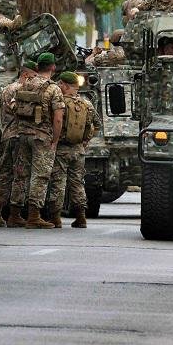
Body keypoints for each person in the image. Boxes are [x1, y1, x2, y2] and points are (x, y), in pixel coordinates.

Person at [7, 52, 64, 229]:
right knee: (40, 175)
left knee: (20, 174)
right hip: (42, 137)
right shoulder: (53, 89)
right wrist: (55, 140)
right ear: (53, 67)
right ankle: (33, 216)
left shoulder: (25, 83)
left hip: (22, 135)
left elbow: (13, 105)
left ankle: (14, 215)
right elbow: (58, 119)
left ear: (38, 67)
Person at [47, 72, 97, 228]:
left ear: (65, 85)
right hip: (79, 150)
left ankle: (55, 218)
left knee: (58, 182)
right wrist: (85, 141)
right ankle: (81, 216)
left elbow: (54, 122)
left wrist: (54, 141)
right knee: (77, 183)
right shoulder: (86, 104)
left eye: (60, 84)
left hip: (61, 148)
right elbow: (96, 125)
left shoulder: (59, 102)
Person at [0, 60, 37, 227]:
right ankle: (14, 215)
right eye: (33, 76)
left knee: (5, 175)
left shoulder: (8, 88)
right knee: (20, 175)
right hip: (17, 136)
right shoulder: (18, 90)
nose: (35, 80)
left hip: (9, 136)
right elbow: (19, 110)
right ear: (25, 75)